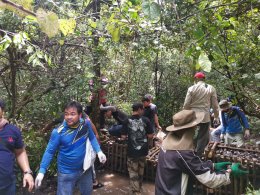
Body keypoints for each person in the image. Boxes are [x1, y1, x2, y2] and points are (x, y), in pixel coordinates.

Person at [155, 110, 248, 195]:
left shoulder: (166, 143)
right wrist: (230, 173)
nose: (196, 129)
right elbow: (208, 179)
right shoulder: (182, 153)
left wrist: (212, 166)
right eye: (195, 127)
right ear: (189, 129)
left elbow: (190, 165)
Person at [35, 101, 106, 195]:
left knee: (87, 192)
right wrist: (42, 171)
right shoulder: (58, 132)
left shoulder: (85, 124)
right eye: (66, 114)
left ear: (80, 115)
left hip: (85, 169)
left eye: (72, 114)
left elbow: (92, 137)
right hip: (66, 172)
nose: (69, 117)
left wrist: (99, 151)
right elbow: (49, 152)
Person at [0, 99, 34, 195]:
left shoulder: (13, 130)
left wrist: (27, 172)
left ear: (2, 110)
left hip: (7, 187)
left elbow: (20, 152)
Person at [183, 72, 219, 157]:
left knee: (190, 134)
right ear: (204, 79)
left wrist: (185, 114)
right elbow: (215, 105)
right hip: (205, 116)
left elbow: (186, 104)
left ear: (196, 79)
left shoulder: (191, 88)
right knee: (203, 136)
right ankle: (198, 155)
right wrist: (216, 116)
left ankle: (189, 153)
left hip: (193, 116)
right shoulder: (211, 88)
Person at [121, 103, 154, 195]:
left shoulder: (126, 120)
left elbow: (123, 136)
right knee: (140, 171)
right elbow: (151, 135)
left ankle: (136, 192)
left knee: (133, 172)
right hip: (143, 151)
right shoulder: (146, 120)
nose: (143, 111)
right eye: (142, 109)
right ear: (139, 109)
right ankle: (138, 188)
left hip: (132, 152)